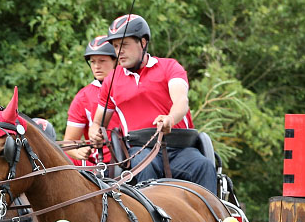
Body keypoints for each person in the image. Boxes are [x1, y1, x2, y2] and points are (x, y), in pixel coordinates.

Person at [89, 14, 217, 195]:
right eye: (116, 46)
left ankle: (214, 221)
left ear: (142, 42)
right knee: (144, 169)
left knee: (202, 166)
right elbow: (98, 122)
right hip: (140, 150)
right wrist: (94, 131)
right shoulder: (111, 80)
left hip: (180, 148)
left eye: (124, 45)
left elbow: (181, 101)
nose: (119, 52)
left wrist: (170, 118)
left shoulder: (169, 67)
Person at [64, 35, 122, 166]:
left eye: (102, 61)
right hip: (101, 164)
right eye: (93, 62)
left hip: (134, 155)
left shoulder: (130, 86)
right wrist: (78, 151)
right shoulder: (83, 97)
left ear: (116, 61)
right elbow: (69, 142)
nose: (96, 66)